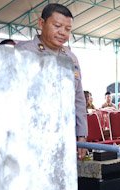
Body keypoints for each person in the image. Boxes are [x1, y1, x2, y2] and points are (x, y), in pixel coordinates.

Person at [16, 3, 88, 159]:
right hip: (30, 136)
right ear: (41, 23)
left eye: (68, 29)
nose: (62, 32)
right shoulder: (24, 52)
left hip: (63, 135)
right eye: (57, 26)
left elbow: (78, 99)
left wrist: (81, 134)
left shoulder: (70, 58)